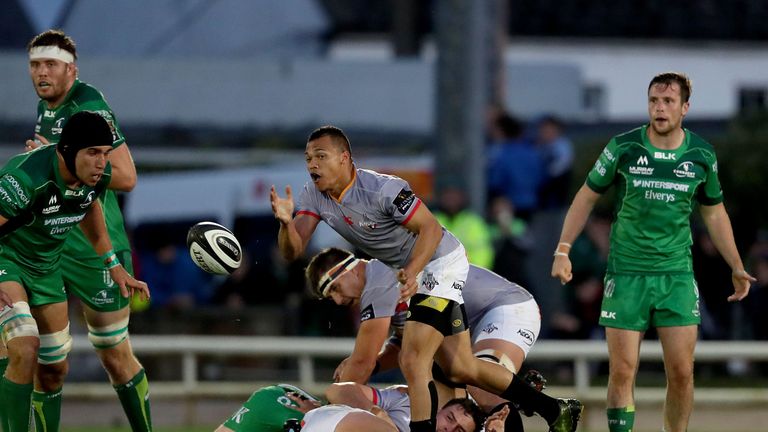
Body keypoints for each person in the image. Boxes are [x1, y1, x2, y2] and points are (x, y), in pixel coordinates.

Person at [271, 126, 580, 432]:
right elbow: (292, 250)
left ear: (344, 158)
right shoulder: (314, 195)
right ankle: (554, 409)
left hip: (445, 267)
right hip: (438, 283)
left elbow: (431, 229)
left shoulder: (382, 190)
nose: (312, 163)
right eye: (308, 157)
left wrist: (413, 272)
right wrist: (286, 224)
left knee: (418, 361)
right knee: (462, 369)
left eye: (321, 156)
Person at [551, 72, 755, 432]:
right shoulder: (623, 147)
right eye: (654, 102)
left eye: (668, 102)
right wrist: (562, 249)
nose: (659, 109)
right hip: (626, 273)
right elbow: (585, 196)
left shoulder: (701, 154)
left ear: (685, 108)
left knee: (681, 372)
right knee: (622, 370)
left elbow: (714, 212)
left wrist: (736, 265)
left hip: (676, 274)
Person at [16, 29, 153, 432]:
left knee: (114, 355)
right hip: (51, 246)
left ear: (71, 69)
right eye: (35, 65)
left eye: (51, 65)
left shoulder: (88, 105)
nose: (42, 73)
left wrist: (57, 157)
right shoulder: (47, 106)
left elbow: (127, 177)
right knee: (50, 364)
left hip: (95, 246)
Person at [306, 247, 582, 431]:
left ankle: (547, 406)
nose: (339, 301)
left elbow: (361, 362)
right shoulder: (386, 280)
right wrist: (377, 365)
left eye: (336, 289)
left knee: (482, 386)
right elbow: (402, 345)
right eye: (331, 298)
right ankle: (520, 390)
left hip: (503, 308)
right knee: (437, 372)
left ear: (350, 269)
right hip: (466, 324)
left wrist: (322, 411)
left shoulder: (378, 279)